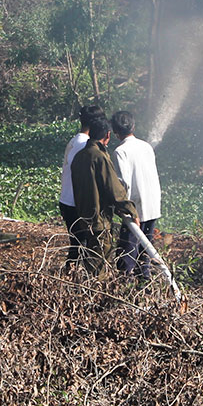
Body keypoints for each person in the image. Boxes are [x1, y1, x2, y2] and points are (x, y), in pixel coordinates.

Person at [69, 116, 137, 276]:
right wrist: (130, 209)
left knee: (89, 256)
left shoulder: (79, 156)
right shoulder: (99, 157)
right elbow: (114, 189)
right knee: (99, 262)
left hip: (83, 216)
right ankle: (94, 294)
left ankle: (85, 289)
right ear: (107, 135)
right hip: (98, 219)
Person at [111, 110, 161, 279]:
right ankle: (144, 282)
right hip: (152, 203)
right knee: (146, 247)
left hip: (135, 207)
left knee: (128, 249)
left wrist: (120, 206)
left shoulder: (120, 151)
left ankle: (127, 284)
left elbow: (122, 183)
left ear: (115, 131)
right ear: (133, 126)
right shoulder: (146, 146)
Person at [58, 104, 104, 269]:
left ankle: (71, 278)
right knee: (81, 245)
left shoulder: (75, 140)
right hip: (76, 203)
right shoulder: (84, 145)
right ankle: (73, 281)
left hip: (68, 200)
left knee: (77, 244)